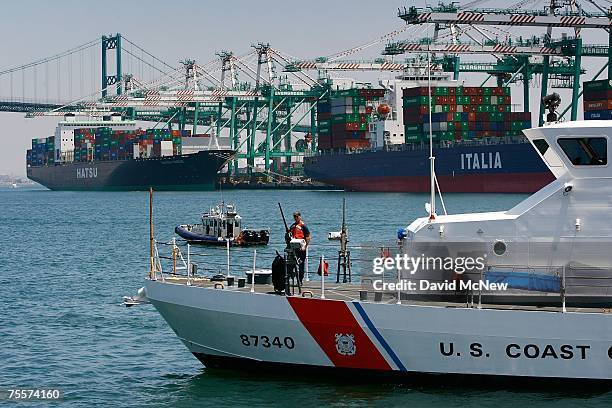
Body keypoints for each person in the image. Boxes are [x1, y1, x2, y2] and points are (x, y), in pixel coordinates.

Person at [289, 211, 311, 282]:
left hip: (301, 248)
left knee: (301, 264)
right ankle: (291, 278)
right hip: (293, 248)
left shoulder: (303, 226)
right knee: (291, 264)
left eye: (297, 216)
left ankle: (300, 280)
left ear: (299, 217)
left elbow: (308, 237)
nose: (295, 218)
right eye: (294, 217)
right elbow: (289, 235)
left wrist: (305, 246)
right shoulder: (292, 226)